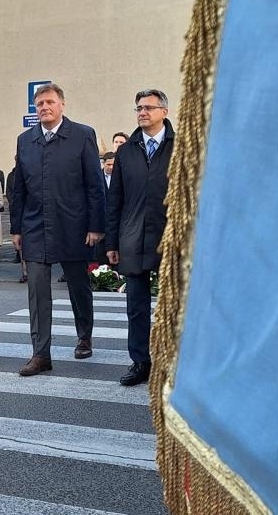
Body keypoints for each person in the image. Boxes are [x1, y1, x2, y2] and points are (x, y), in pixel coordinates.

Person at [10, 82, 106, 377]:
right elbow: (19, 189)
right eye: (39, 104)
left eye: (50, 102)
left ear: (62, 105)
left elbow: (95, 185)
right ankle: (40, 354)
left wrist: (96, 225)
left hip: (74, 224)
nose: (44, 108)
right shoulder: (25, 140)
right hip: (36, 226)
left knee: (78, 284)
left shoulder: (82, 135)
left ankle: (84, 336)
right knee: (37, 290)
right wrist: (16, 228)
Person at [106, 89, 174, 387]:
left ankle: (171, 362)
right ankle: (140, 361)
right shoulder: (127, 151)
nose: (142, 112)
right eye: (138, 108)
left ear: (164, 112)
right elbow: (114, 199)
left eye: (148, 107)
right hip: (132, 237)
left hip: (170, 236)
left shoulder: (181, 147)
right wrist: (112, 242)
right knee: (136, 304)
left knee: (172, 304)